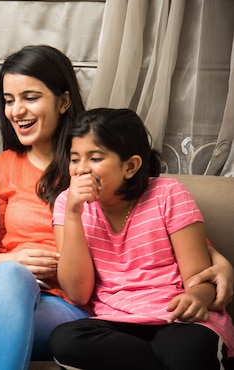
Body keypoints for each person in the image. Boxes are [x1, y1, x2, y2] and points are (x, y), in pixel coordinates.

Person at [0, 45, 234, 370]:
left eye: (30, 97)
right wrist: (11, 259)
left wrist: (219, 263)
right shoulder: (0, 169)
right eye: (9, 100)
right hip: (6, 291)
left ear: (64, 101)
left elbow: (153, 227)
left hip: (69, 302)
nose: (17, 110)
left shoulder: (100, 166)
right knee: (9, 276)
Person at [49, 108, 234, 369]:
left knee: (185, 350)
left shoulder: (169, 195)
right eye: (75, 159)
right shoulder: (68, 204)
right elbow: (78, 293)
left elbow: (200, 277)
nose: (80, 170)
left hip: (177, 317)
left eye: (95, 158)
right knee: (66, 340)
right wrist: (72, 214)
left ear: (131, 166)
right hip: (117, 321)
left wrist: (197, 299)